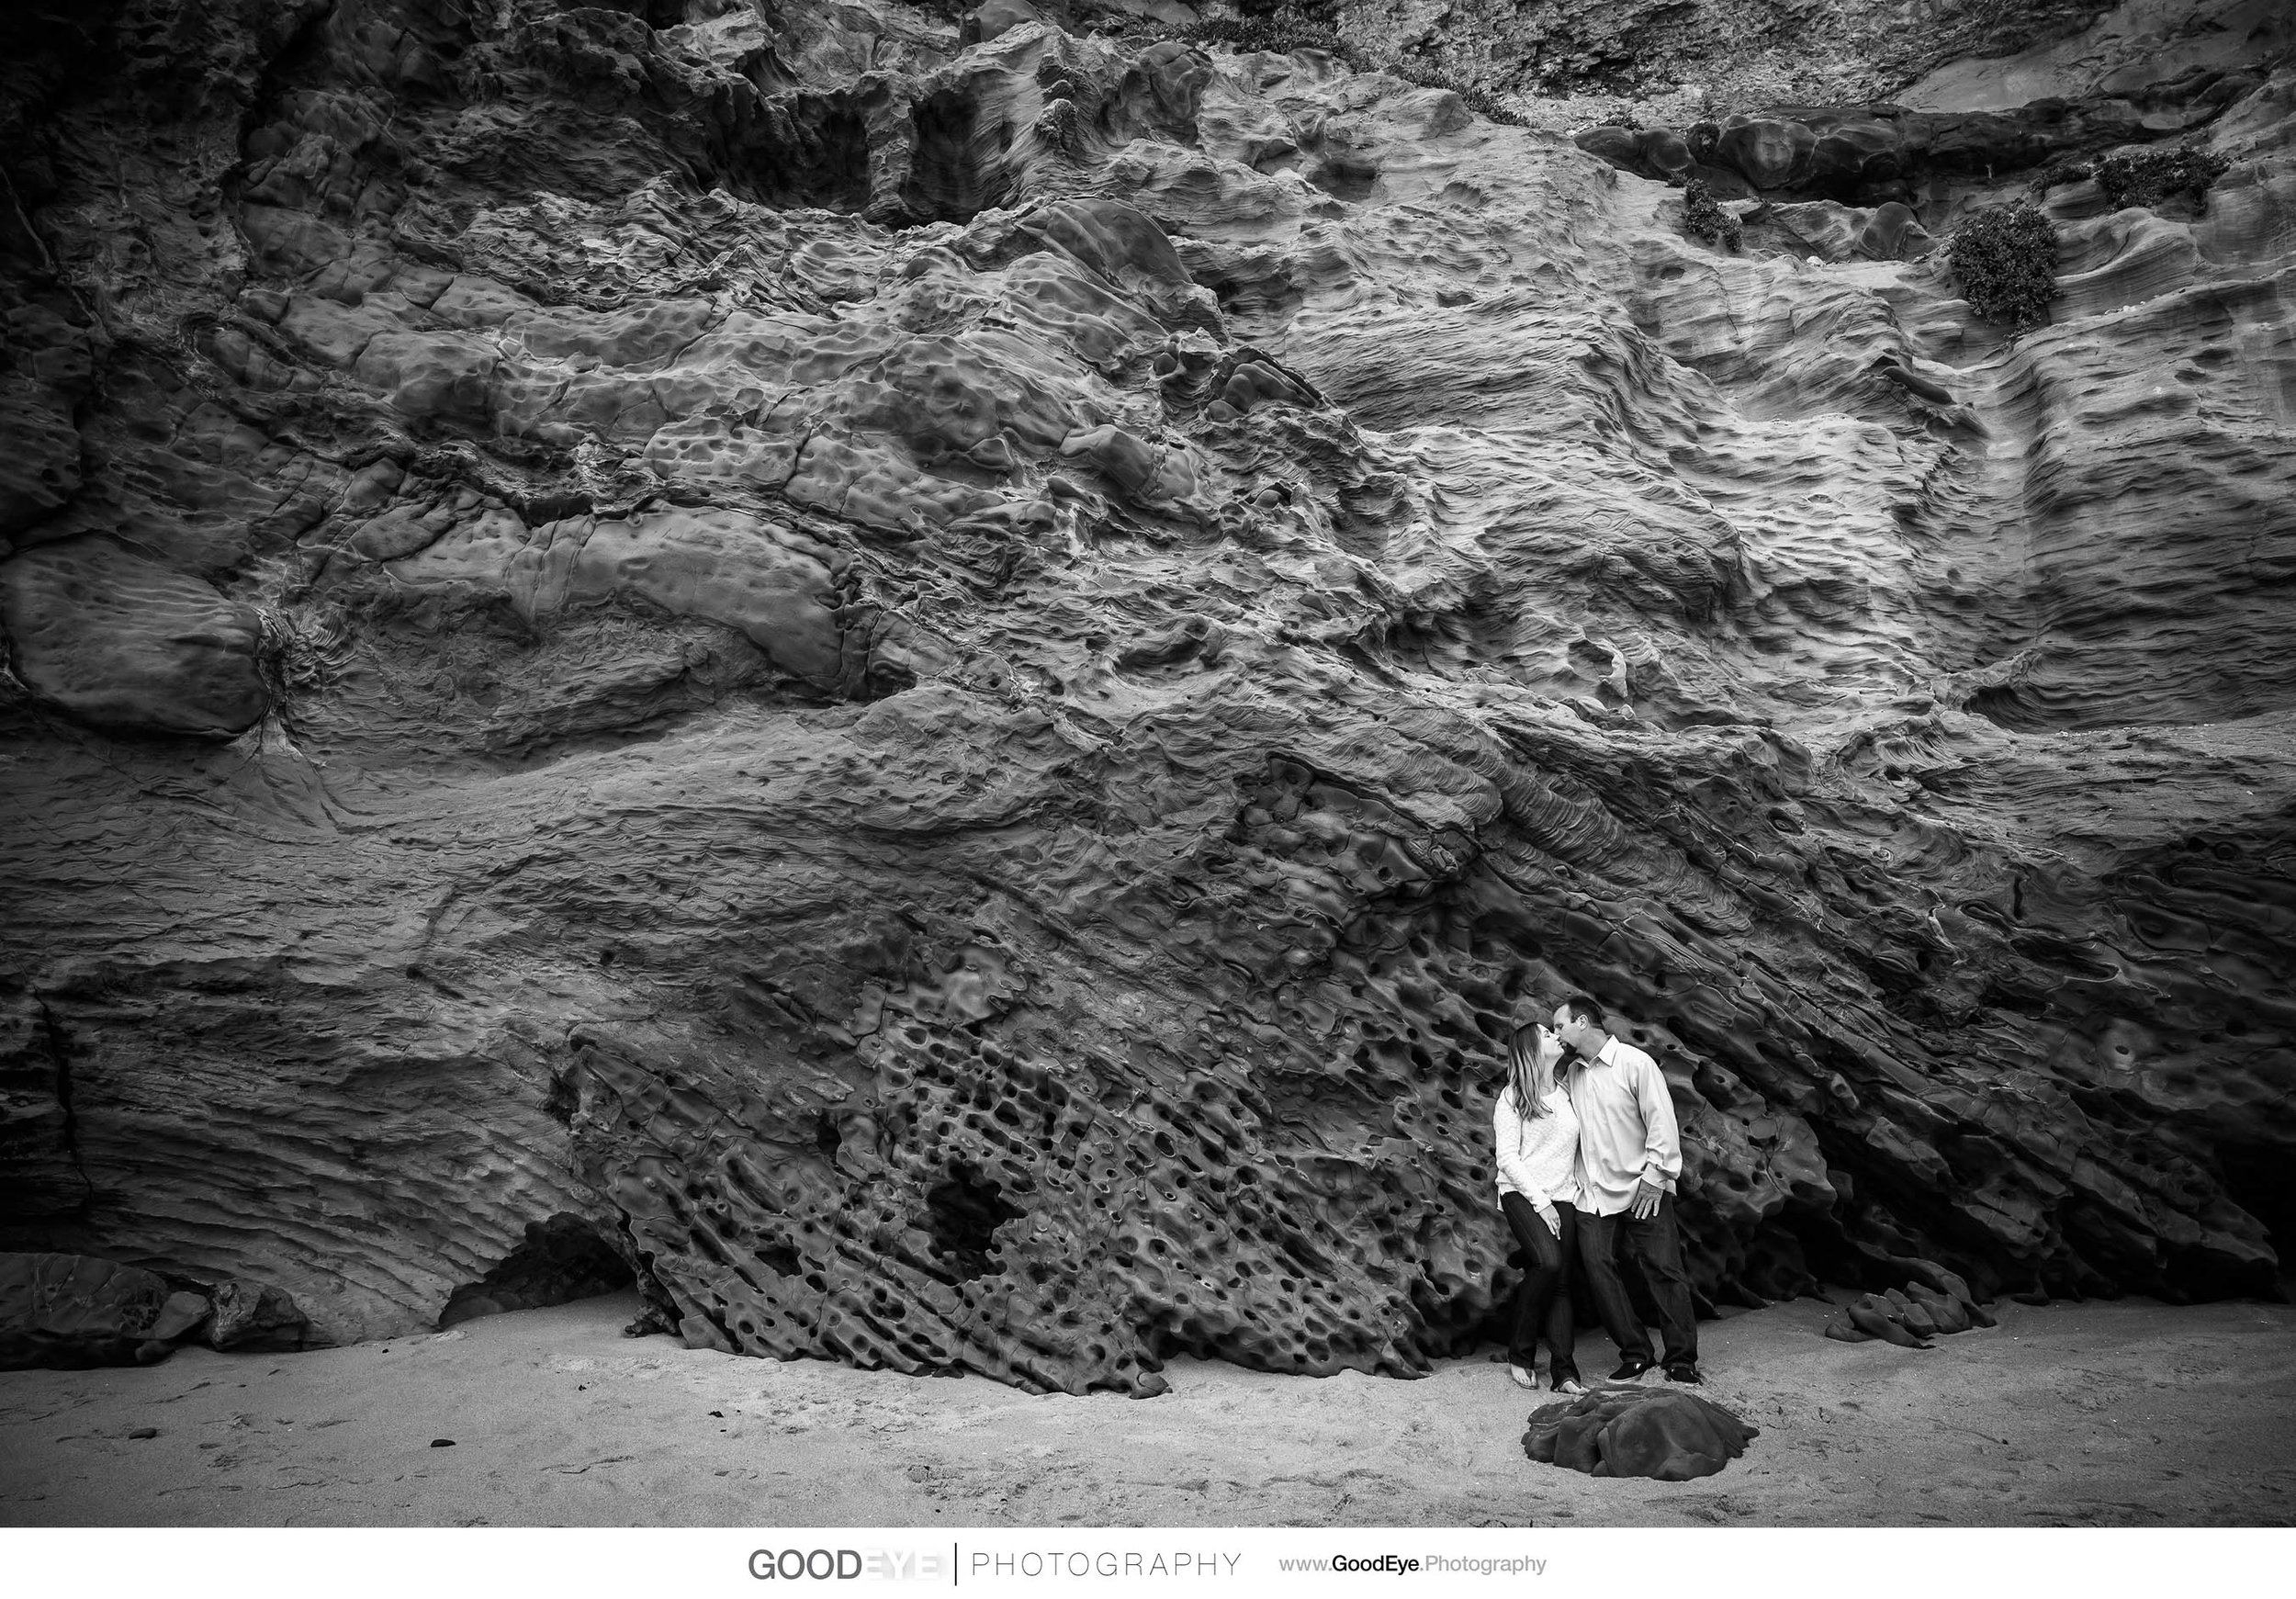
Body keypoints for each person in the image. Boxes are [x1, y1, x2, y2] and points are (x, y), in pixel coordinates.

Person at [1554, 994, 1702, 1384]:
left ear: (1582, 1022)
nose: (1558, 1034)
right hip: (1594, 1194)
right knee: (1599, 1270)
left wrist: (1657, 1177)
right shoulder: (1573, 1074)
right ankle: (1636, 1353)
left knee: (1664, 1270)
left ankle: (1682, 1359)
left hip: (1643, 1186)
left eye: (1560, 1026)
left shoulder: (1636, 1063)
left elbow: (1661, 1120)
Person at [1491, 1008, 1586, 1394]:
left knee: (1562, 1281)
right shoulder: (1512, 1096)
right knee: (1547, 1263)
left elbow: (1576, 1148)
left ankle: (1564, 1372)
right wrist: (1541, 1203)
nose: (1555, 1036)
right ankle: (1521, 1352)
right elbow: (1507, 1158)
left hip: (1564, 1194)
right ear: (1532, 1048)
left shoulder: (1566, 1091)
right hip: (1522, 1194)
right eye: (1547, 1033)